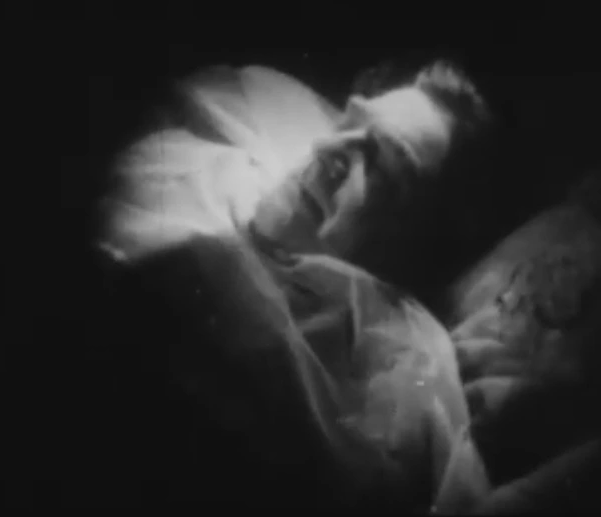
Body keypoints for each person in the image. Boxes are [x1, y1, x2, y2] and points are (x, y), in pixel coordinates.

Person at [98, 60, 494, 511]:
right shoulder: (197, 174)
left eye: (379, 167)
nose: (328, 149)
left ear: (415, 247)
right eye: (349, 123)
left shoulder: (392, 386)